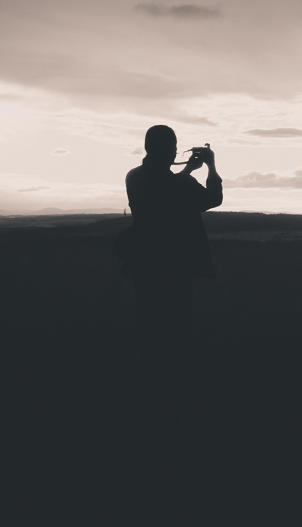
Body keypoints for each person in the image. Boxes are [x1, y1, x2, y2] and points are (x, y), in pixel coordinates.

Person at [124, 125, 222, 421]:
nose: (176, 151)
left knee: (147, 335)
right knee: (176, 334)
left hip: (145, 266)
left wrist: (187, 171)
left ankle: (143, 402)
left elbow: (161, 190)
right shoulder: (179, 183)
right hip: (175, 269)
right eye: (174, 146)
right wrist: (210, 166)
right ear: (168, 150)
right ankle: (173, 404)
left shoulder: (133, 177)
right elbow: (213, 198)